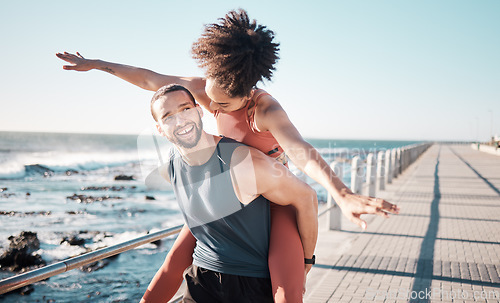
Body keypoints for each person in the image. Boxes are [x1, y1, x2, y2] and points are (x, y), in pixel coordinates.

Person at [56, 9, 399, 302]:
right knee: (174, 262)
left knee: (288, 291)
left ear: (247, 94)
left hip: (271, 197)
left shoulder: (264, 109)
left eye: (222, 105)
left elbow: (300, 151)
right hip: (225, 192)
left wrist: (341, 193)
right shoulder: (206, 89)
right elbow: (149, 79)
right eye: (209, 98)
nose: (211, 107)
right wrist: (97, 64)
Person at [147, 83, 318, 302]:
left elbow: (306, 196)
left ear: (199, 111)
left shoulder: (244, 163)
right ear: (160, 128)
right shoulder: (170, 167)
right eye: (168, 116)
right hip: (201, 278)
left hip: (251, 284)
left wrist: (306, 260)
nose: (180, 120)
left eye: (185, 109)